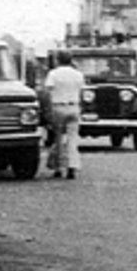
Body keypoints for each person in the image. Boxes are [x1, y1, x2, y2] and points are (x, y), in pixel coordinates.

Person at [42, 51, 87, 179]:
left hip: (58, 107)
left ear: (58, 60)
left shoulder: (53, 74)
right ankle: (72, 167)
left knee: (58, 138)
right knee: (73, 138)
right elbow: (82, 91)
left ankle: (58, 168)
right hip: (74, 107)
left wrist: (47, 109)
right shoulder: (78, 74)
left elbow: (47, 91)